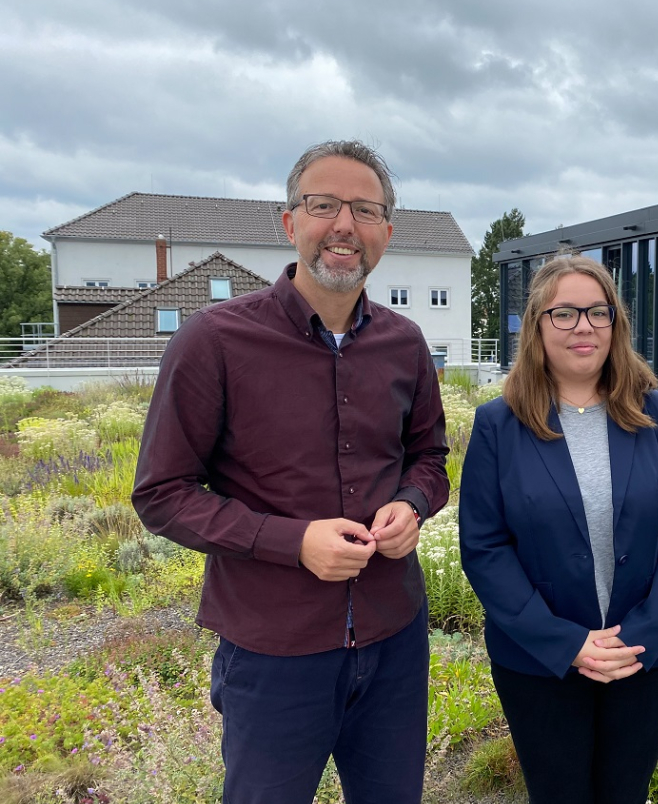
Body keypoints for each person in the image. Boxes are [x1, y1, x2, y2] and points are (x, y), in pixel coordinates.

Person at [132, 140, 449, 804]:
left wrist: (413, 505)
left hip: (394, 639)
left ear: (386, 232)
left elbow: (429, 459)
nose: (344, 225)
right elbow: (162, 494)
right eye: (323, 204)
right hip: (273, 651)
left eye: (364, 210)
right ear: (289, 223)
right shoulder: (213, 341)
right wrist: (291, 542)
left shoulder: (406, 344)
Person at [458, 255, 658, 804]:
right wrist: (567, 643)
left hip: (642, 657)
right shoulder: (498, 425)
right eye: (564, 313)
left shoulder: (656, 416)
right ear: (537, 326)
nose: (583, 326)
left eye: (598, 312)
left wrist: (640, 634)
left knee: (626, 793)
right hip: (540, 663)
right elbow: (484, 548)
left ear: (615, 324)